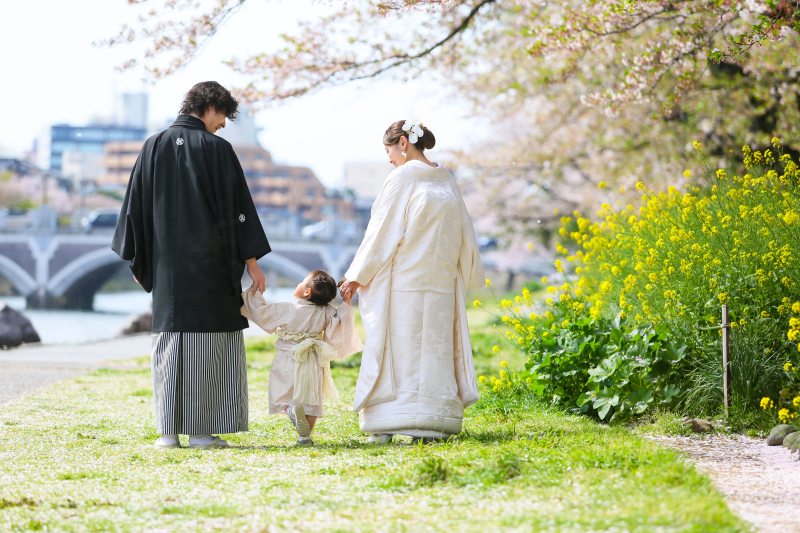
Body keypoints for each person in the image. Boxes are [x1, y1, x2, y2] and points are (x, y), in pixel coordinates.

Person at [112, 81, 271, 449]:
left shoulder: (152, 146)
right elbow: (239, 212)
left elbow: (133, 208)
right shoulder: (217, 150)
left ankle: (168, 432)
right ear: (211, 107)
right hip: (211, 264)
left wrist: (139, 261)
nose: (224, 125)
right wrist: (252, 262)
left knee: (168, 342)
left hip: (167, 266)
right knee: (210, 343)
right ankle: (201, 432)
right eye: (224, 116)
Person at [339, 119, 484, 444]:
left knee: (400, 351)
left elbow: (381, 231)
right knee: (432, 352)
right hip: (440, 284)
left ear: (403, 143)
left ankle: (388, 423)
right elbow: (465, 232)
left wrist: (356, 276)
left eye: (389, 150)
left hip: (406, 283)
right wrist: (467, 271)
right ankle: (433, 424)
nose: (389, 158)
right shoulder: (447, 180)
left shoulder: (402, 178)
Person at [240, 270, 363, 445]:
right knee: (312, 397)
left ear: (307, 292)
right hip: (312, 359)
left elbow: (262, 313)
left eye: (303, 281)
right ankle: (305, 436)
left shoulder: (287, 308)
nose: (299, 283)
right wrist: (347, 302)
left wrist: (254, 292)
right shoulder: (327, 311)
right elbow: (342, 323)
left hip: (287, 355)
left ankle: (290, 410)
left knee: (283, 391)